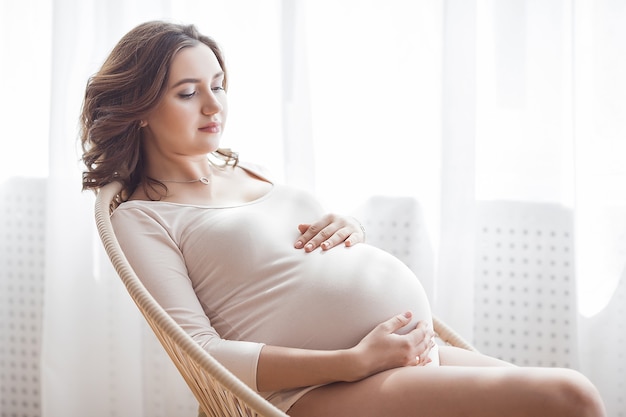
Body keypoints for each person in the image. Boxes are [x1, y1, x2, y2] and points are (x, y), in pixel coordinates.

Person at [81, 21, 606, 417]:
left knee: (569, 398)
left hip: (403, 354)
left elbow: (285, 264)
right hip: (317, 389)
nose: (213, 106)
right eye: (188, 93)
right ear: (142, 107)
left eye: (218, 85)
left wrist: (349, 231)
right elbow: (202, 354)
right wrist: (354, 360)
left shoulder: (247, 170)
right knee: (570, 396)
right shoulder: (142, 217)